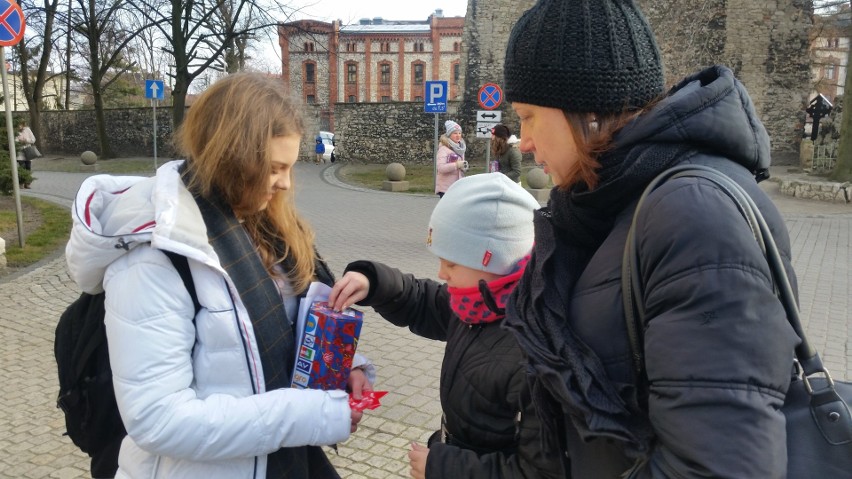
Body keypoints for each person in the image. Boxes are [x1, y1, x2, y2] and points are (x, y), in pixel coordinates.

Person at [500, 0, 800, 478]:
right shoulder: (604, 203)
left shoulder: (691, 216)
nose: (525, 140)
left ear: (589, 109)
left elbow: (717, 466)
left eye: (530, 115)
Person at [65, 72, 374, 478]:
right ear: (234, 156)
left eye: (290, 168)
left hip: (280, 460)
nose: (284, 183)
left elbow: (277, 333)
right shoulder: (154, 259)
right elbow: (159, 420)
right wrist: (314, 414)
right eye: (274, 168)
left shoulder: (267, 228)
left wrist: (339, 367)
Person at [328, 174, 565, 479]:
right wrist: (373, 282)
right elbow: (423, 300)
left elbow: (540, 472)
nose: (441, 273)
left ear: (493, 260)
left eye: (452, 264)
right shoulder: (476, 303)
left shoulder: (536, 352)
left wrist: (442, 467)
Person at [435, 120, 467, 197]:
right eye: (455, 133)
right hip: (446, 188)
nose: (458, 135)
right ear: (449, 135)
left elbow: (460, 166)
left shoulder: (460, 148)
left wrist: (464, 167)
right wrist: (456, 165)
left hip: (457, 187)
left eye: (459, 133)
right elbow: (440, 168)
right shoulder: (443, 149)